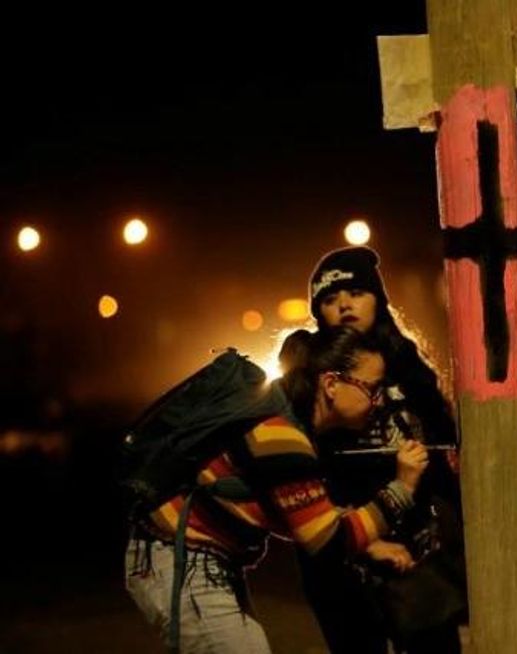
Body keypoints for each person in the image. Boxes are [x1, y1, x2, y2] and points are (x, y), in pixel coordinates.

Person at [125, 327, 429, 653]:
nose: (379, 400)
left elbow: (300, 514)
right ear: (330, 384)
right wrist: (402, 488)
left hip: (189, 559)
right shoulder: (280, 437)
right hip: (183, 562)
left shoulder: (287, 424)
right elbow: (327, 546)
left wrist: (366, 542)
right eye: (373, 388)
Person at [299, 245, 465, 654]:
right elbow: (299, 470)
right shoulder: (311, 367)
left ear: (378, 299)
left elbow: (445, 445)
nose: (344, 305)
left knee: (435, 644)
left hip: (414, 544)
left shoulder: (407, 362)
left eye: (355, 293)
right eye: (330, 300)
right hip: (343, 541)